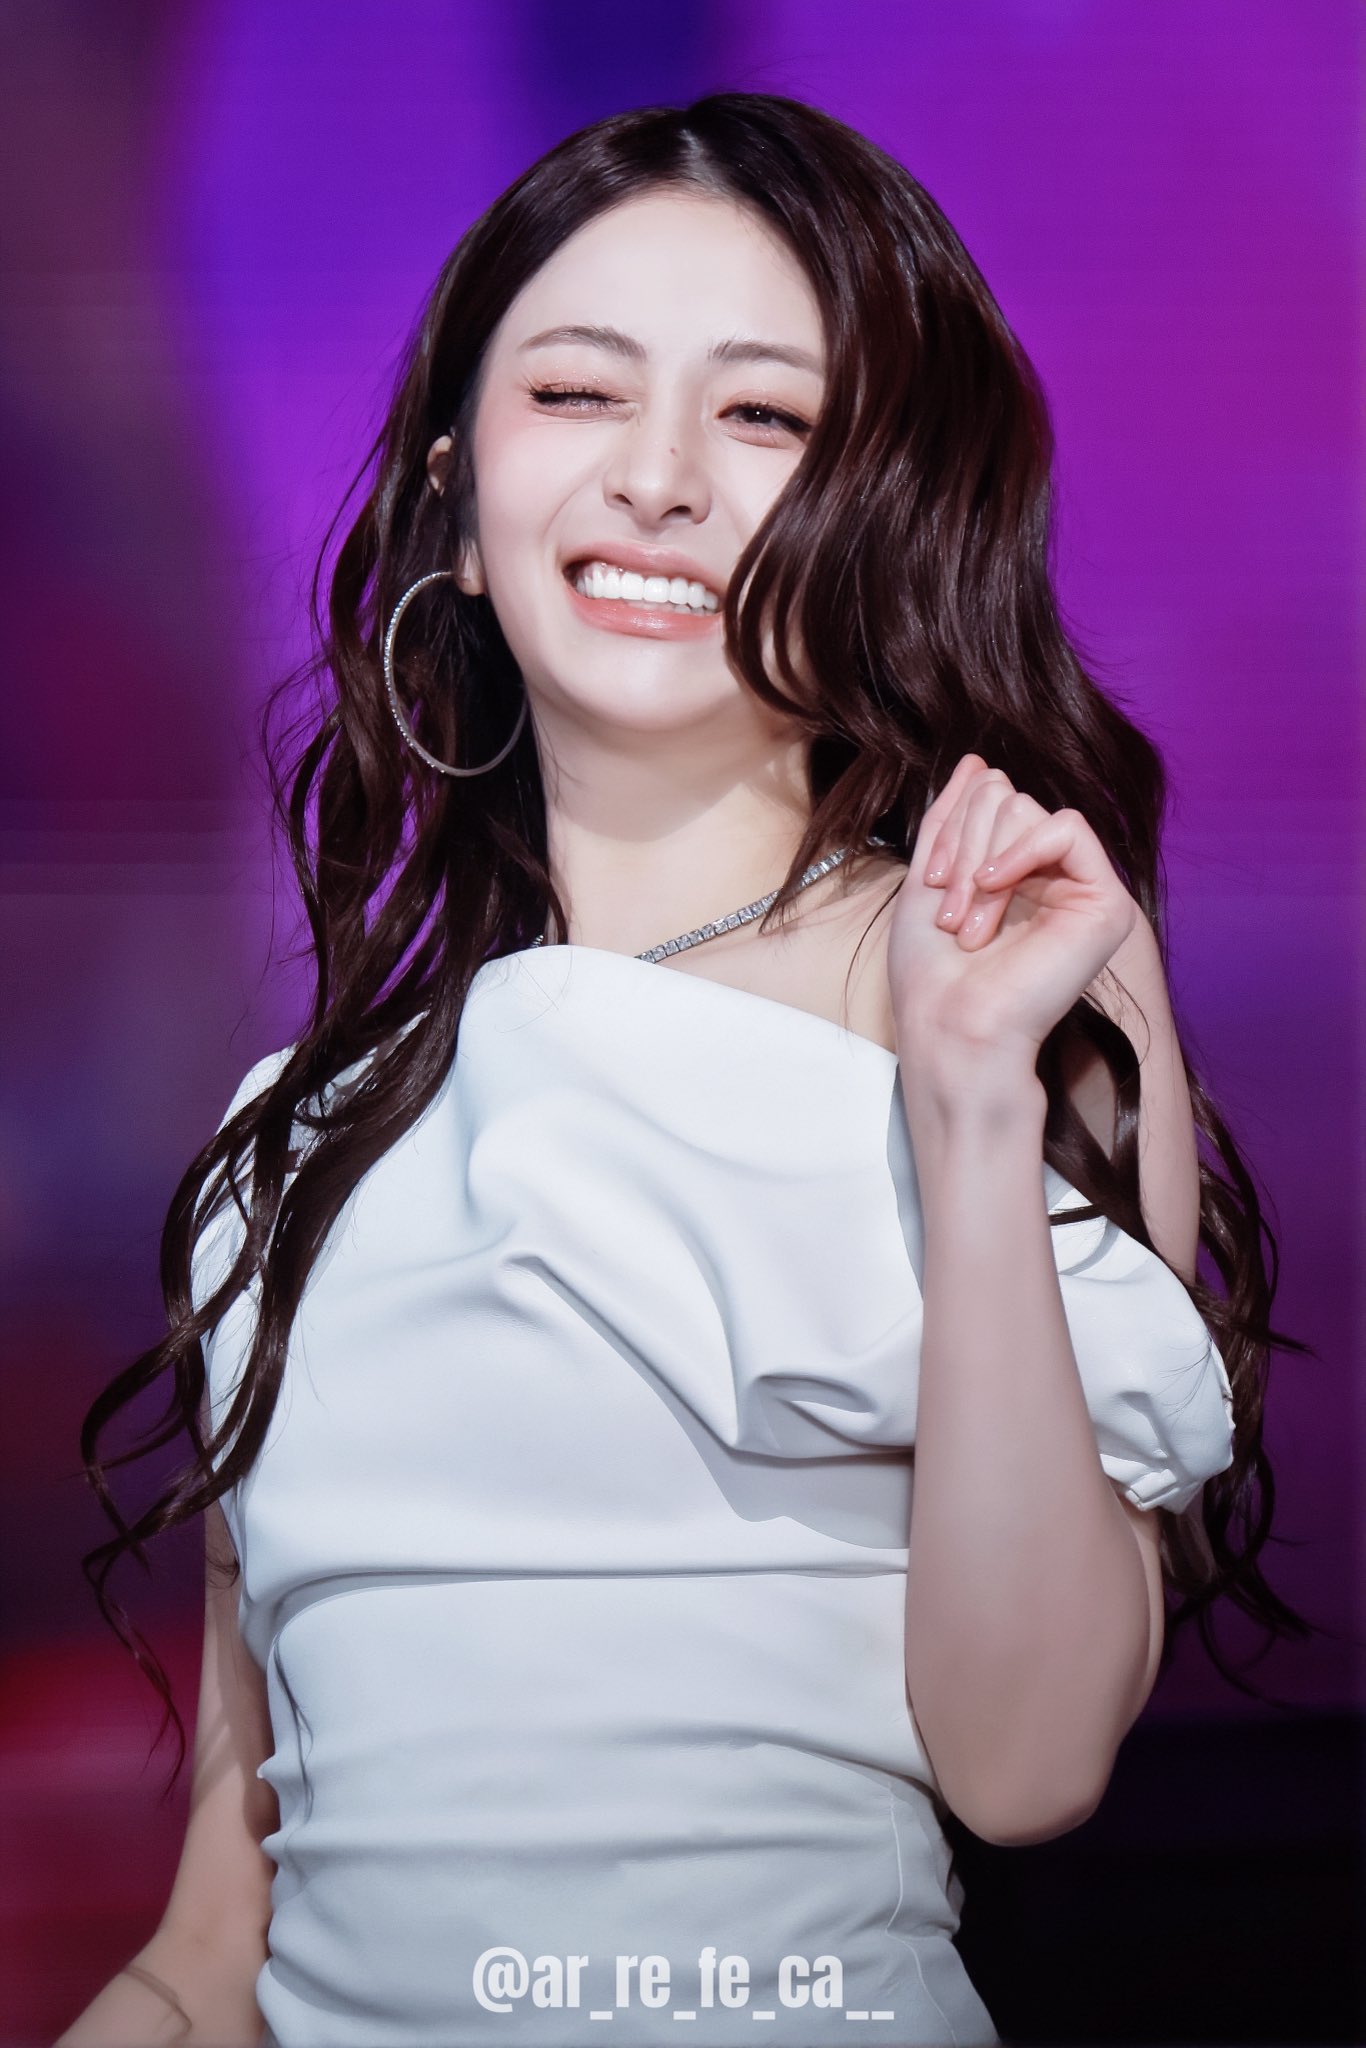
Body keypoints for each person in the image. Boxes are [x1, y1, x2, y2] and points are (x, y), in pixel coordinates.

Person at [62, 91, 1308, 2048]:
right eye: (576, 392)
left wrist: (971, 1102)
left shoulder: (1004, 986)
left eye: (762, 418)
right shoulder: (285, 1146)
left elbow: (1028, 1758)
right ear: (457, 494)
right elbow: (211, 1953)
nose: (653, 478)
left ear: (881, 505)